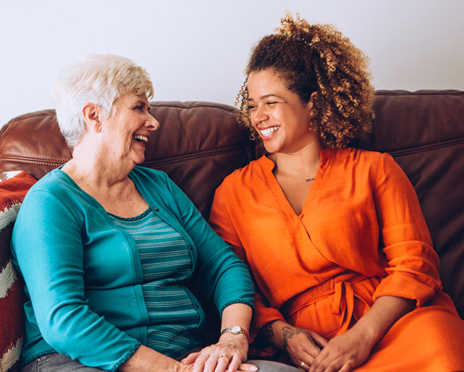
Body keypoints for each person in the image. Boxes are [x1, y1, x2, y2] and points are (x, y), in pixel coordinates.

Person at [209, 14, 464, 372]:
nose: (258, 117)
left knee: (444, 349)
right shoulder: (233, 192)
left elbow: (415, 265)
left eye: (271, 102)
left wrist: (362, 337)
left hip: (387, 326)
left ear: (312, 103)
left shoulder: (374, 168)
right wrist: (285, 336)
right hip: (305, 345)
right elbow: (232, 283)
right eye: (251, 105)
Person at [10, 54, 296, 372]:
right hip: (76, 362)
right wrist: (175, 371)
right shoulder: (51, 202)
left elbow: (222, 265)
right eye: (138, 107)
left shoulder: (158, 185)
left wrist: (232, 338)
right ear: (94, 116)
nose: (153, 122)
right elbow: (63, 320)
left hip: (185, 355)